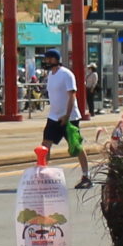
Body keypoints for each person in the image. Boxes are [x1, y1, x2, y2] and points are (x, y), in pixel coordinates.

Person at [39, 47, 90, 187]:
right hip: (53, 116)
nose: (47, 61)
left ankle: (86, 176)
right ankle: (43, 174)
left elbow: (72, 95)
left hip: (70, 117)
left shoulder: (66, 74)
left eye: (49, 58)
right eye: (46, 59)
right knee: (45, 145)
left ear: (56, 60)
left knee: (76, 146)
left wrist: (67, 115)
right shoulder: (50, 75)